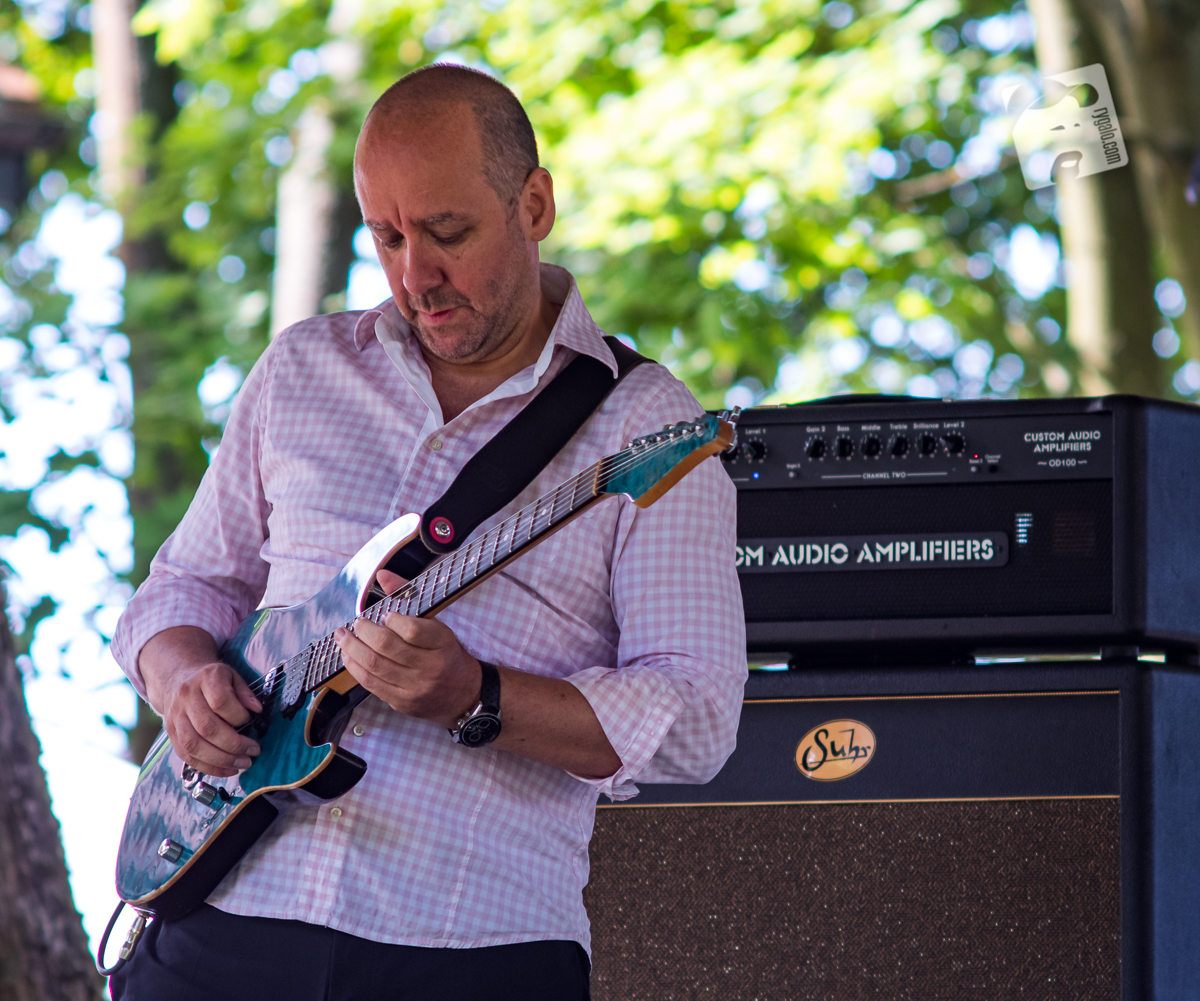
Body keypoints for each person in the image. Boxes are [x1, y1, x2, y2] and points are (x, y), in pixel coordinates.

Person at [109, 64, 746, 1001]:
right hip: (223, 913)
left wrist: (476, 695)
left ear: (534, 205)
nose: (416, 275)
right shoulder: (301, 368)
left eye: (448, 233)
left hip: (472, 946)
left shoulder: (646, 424)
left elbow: (698, 718)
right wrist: (181, 681)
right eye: (388, 236)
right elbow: (183, 588)